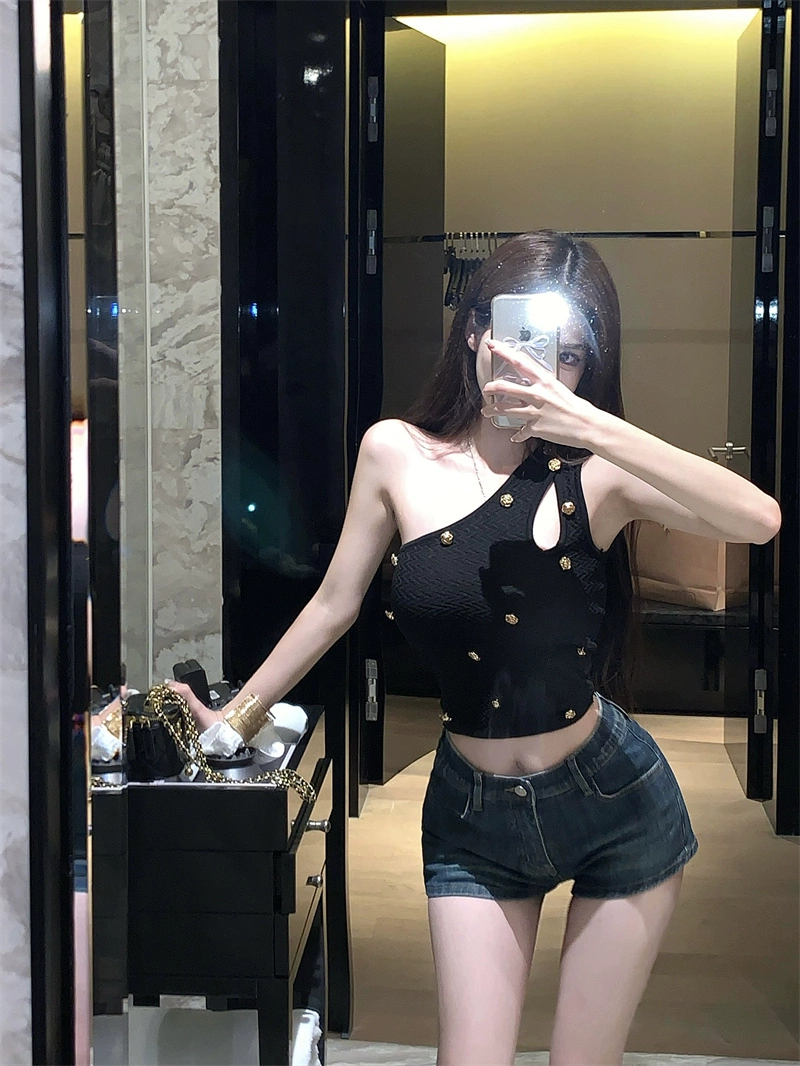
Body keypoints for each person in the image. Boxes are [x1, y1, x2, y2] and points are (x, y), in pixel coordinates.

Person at [170, 231, 782, 1066]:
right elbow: (333, 605)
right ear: (474, 332)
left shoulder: (596, 473)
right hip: (471, 818)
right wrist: (237, 719)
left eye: (570, 355)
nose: (542, 368)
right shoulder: (396, 453)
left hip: (614, 802)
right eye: (521, 340)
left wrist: (592, 425)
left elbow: (759, 519)